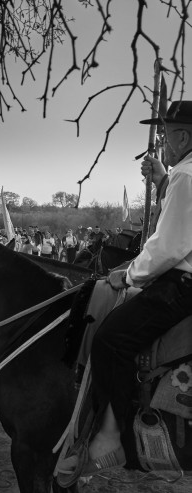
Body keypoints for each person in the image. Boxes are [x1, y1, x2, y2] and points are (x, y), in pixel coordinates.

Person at [57, 100, 192, 485]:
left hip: (181, 285)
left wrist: (128, 275)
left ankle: (113, 437)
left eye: (166, 134)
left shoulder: (186, 176)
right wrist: (164, 180)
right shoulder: (182, 175)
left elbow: (168, 247)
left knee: (109, 340)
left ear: (183, 137)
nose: (163, 141)